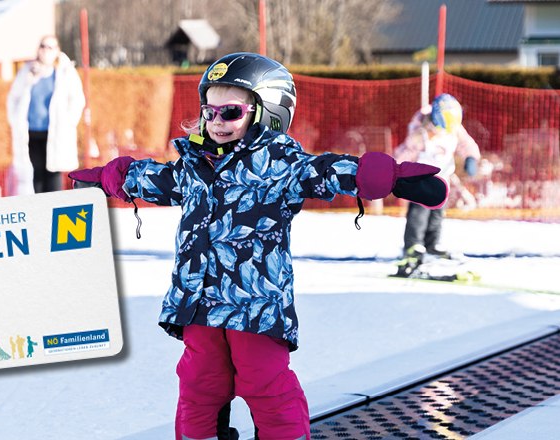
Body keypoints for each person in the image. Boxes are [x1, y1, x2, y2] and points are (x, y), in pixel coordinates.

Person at [69, 52, 448, 440]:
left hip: (255, 305)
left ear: (266, 112)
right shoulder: (192, 164)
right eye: (209, 111)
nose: (216, 122)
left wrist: (389, 176)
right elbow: (155, 178)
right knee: (199, 385)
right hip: (197, 302)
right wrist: (106, 178)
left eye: (230, 112)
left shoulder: (281, 165)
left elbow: (327, 171)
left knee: (265, 385)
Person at [394, 93, 480, 277]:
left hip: (442, 177)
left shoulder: (455, 129)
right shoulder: (422, 129)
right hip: (420, 178)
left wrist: (471, 158)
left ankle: (432, 244)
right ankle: (413, 246)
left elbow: (466, 143)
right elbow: (407, 150)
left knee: (437, 211)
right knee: (419, 211)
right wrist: (396, 170)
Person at [6, 35, 85, 195]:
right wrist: (16, 121)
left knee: (53, 172)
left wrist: (68, 122)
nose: (46, 50)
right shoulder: (27, 72)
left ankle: (54, 210)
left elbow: (77, 99)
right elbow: (13, 98)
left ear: (57, 50)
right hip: (33, 133)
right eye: (43, 46)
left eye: (50, 47)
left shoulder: (64, 73)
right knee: (37, 173)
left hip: (55, 133)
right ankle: (41, 211)